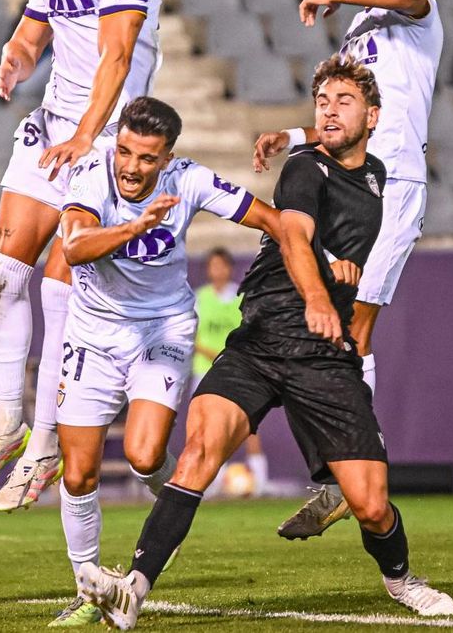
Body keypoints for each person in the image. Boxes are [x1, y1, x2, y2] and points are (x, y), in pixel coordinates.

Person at [77, 59, 453, 629]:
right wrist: (317, 292)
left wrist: (334, 275)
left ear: (372, 116)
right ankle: (134, 587)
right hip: (262, 338)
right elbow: (295, 234)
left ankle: (400, 579)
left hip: (324, 357)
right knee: (200, 452)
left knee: (373, 505)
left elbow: (327, 230)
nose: (329, 108)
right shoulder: (306, 170)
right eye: (321, 100)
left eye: (343, 100)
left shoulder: (377, 176)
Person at [0, 0, 165, 513]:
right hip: (52, 125)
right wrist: (14, 60)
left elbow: (117, 52)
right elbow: (32, 30)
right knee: (3, 273)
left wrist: (86, 136)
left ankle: (45, 445)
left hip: (105, 138)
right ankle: (6, 425)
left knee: (57, 287)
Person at [47, 97, 284, 625]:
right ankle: (89, 586)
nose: (131, 168)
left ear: (168, 157)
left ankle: (168, 514)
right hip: (92, 336)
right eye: (126, 152)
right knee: (80, 473)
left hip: (162, 329)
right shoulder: (91, 171)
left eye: (146, 158)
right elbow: (74, 248)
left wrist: (316, 261)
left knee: (145, 454)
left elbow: (269, 218)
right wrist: (135, 226)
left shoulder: (191, 180)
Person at [253, 0, 442, 540]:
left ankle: (358, 469)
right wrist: (298, 133)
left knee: (355, 324)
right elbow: (352, 118)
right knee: (328, 332)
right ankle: (341, 471)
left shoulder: (417, 4)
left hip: (393, 187)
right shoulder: (362, 28)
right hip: (350, 185)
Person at [192, 247, 267, 496]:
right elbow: (191, 336)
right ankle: (212, 481)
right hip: (205, 370)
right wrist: (210, 354)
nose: (218, 270)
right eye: (213, 266)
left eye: (222, 265)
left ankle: (260, 479)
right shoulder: (199, 298)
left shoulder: (238, 297)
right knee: (208, 429)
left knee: (246, 425)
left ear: (229, 268)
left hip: (236, 368)